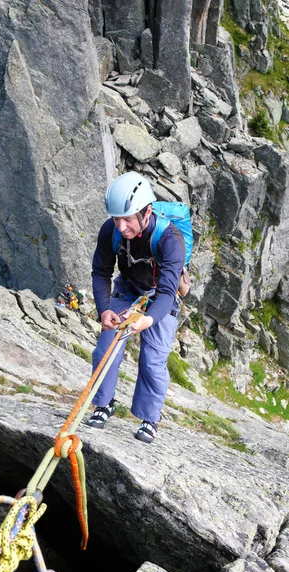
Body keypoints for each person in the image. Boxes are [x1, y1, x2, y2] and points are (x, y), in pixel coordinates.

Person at [87, 171, 185, 443]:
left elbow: (167, 291)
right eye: (116, 218)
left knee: (152, 361)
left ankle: (150, 418)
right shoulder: (111, 231)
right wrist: (104, 309)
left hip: (159, 300)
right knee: (105, 349)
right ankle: (104, 404)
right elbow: (100, 272)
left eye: (128, 219)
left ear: (147, 212)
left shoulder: (169, 239)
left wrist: (148, 320)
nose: (121, 226)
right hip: (127, 291)